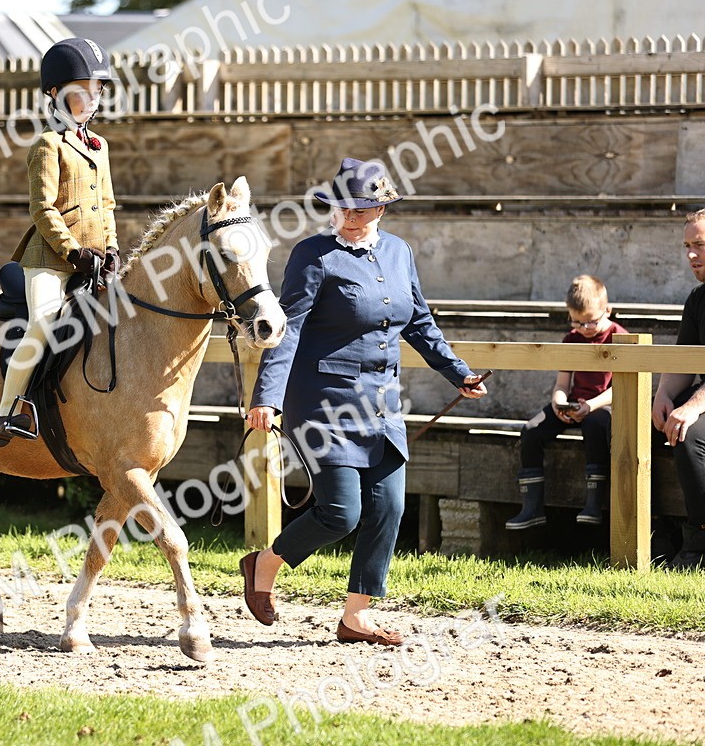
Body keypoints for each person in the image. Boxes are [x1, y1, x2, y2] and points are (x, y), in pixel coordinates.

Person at [241, 157, 487, 646]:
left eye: (364, 209)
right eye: (344, 208)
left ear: (382, 209)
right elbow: (286, 333)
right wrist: (266, 397)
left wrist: (458, 372)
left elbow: (419, 322)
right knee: (341, 513)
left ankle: (357, 617)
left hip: (382, 406)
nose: (352, 217)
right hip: (324, 404)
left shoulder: (399, 253)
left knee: (390, 507)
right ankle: (265, 563)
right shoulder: (313, 255)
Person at [0, 38, 120, 447]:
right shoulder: (48, 145)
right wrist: (73, 252)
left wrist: (112, 248)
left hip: (94, 260)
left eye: (95, 89)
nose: (90, 98)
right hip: (49, 260)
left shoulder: (99, 147)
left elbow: (108, 205)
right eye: (80, 91)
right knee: (44, 324)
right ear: (55, 94)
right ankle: (7, 410)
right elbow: (42, 209)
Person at [506, 276, 629, 530]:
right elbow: (563, 384)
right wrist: (558, 403)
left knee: (595, 424)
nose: (584, 328)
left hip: (605, 405)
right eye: (576, 321)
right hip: (575, 404)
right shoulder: (572, 338)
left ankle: (594, 503)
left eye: (590, 321)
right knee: (531, 430)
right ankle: (532, 507)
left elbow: (620, 389)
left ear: (608, 310)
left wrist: (591, 406)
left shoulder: (619, 337)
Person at [650, 210, 705, 569]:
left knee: (688, 433)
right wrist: (663, 394)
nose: (690, 254)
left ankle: (699, 543)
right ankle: (656, 536)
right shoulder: (698, 298)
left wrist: (694, 406)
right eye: (686, 245)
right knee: (634, 431)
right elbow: (684, 361)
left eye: (699, 244)